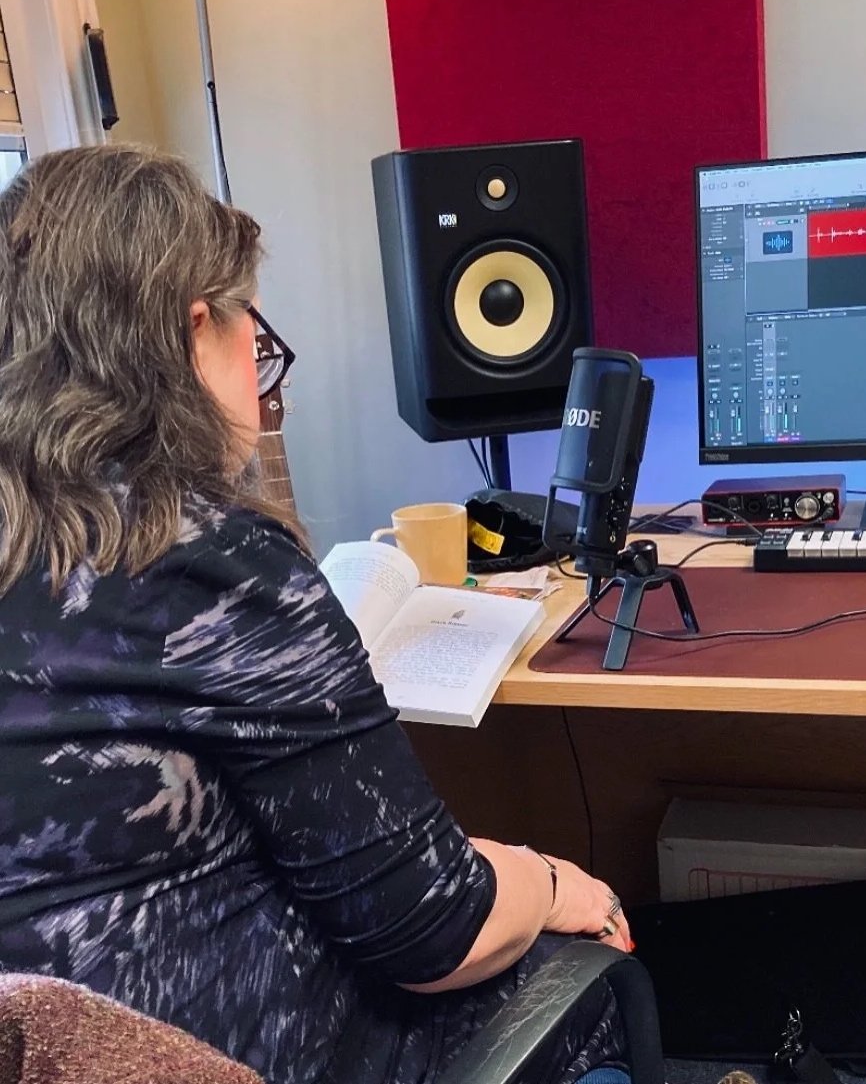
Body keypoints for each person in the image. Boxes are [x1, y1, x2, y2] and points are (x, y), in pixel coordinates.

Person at [0, 145, 631, 1084]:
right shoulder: (207, 559)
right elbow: (431, 934)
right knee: (595, 974)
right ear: (191, 329)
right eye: (252, 342)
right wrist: (547, 881)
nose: (258, 376)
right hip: (224, 1051)